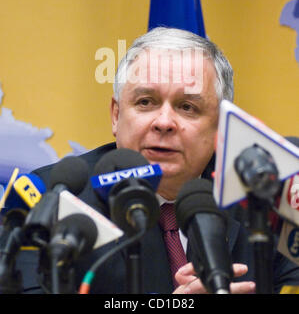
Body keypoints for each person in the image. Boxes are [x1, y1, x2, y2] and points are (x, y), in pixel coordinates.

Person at [16, 27, 299, 294]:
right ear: (116, 115)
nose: (164, 122)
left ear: (221, 126)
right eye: (146, 102)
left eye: (187, 107)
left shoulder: (268, 204)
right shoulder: (50, 202)